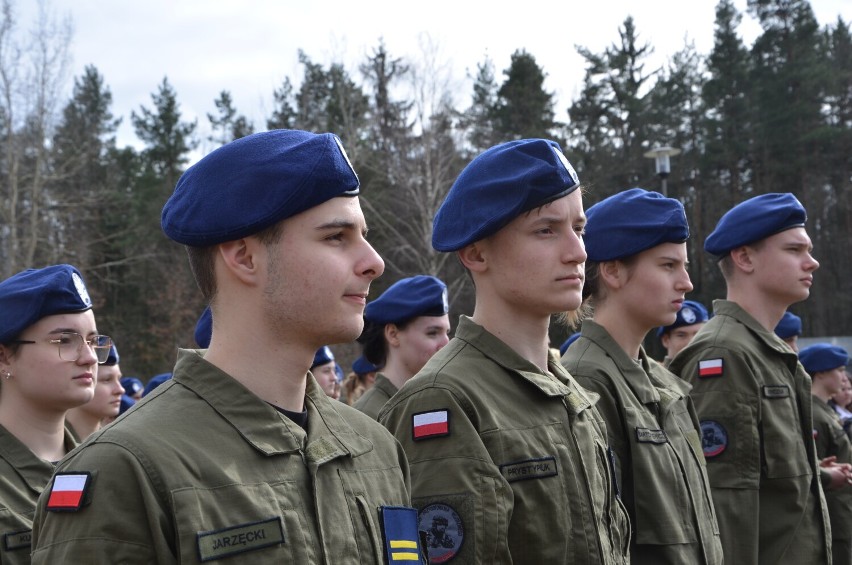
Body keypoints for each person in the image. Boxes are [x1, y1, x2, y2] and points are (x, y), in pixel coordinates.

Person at [31, 130, 422, 563]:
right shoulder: (125, 470)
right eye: (336, 237)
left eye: (363, 235)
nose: (375, 262)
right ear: (243, 257)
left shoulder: (375, 447)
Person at [380, 138, 630, 564]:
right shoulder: (446, 400)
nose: (578, 252)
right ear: (477, 252)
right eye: (546, 230)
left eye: (579, 228)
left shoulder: (571, 392)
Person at [669, 192, 836, 564]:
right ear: (744, 258)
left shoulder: (768, 353)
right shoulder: (726, 355)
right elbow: (726, 505)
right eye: (794, 250)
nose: (813, 262)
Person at [562, 188, 721, 563]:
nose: (686, 283)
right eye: (668, 266)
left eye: (683, 266)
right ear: (614, 271)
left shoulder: (665, 383)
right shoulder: (588, 379)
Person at [0, 264, 112, 565]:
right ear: (4, 356)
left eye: (92, 340)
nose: (89, 357)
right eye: (65, 341)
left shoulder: (108, 463)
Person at [353, 275, 450, 419]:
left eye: (447, 332)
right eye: (433, 333)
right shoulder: (367, 416)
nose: (446, 344)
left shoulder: (438, 400)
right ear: (393, 335)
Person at [801, 343, 852, 565]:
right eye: (839, 370)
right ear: (820, 372)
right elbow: (814, 467)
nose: (844, 377)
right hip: (833, 513)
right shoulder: (815, 414)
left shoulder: (825, 410)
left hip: (842, 509)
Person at [66, 344, 124, 440]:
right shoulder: (52, 446)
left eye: (119, 379)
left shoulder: (112, 444)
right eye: (107, 379)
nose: (120, 390)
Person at [656, 299, 709, 367]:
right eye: (681, 335)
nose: (691, 341)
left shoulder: (715, 373)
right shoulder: (650, 375)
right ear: (666, 340)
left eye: (697, 334)